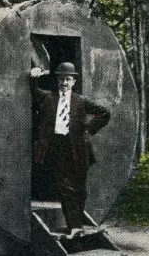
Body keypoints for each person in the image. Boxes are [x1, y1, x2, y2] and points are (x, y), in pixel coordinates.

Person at [30, 62, 110, 239]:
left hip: (80, 150)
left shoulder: (80, 101)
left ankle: (77, 224)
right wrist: (34, 78)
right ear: (57, 80)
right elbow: (34, 93)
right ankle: (74, 227)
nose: (64, 83)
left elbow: (105, 113)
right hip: (59, 148)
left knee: (80, 189)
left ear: (73, 82)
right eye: (61, 79)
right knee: (65, 187)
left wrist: (88, 130)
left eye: (67, 79)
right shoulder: (49, 98)